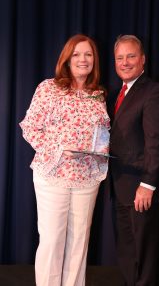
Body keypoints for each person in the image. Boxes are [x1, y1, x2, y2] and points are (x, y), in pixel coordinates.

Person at [19, 34, 110, 286]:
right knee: (52, 240)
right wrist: (59, 149)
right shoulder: (48, 88)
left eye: (88, 54)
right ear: (67, 59)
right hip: (53, 174)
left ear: (95, 60)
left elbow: (102, 133)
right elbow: (30, 128)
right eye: (77, 54)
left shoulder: (98, 94)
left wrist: (103, 148)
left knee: (79, 242)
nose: (83, 59)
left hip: (87, 178)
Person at [108, 35, 159, 286]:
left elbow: (157, 142)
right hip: (121, 186)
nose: (125, 62)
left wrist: (147, 184)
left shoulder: (154, 92)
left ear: (143, 59)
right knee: (127, 252)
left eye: (131, 56)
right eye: (120, 58)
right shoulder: (116, 94)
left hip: (142, 189)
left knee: (145, 255)